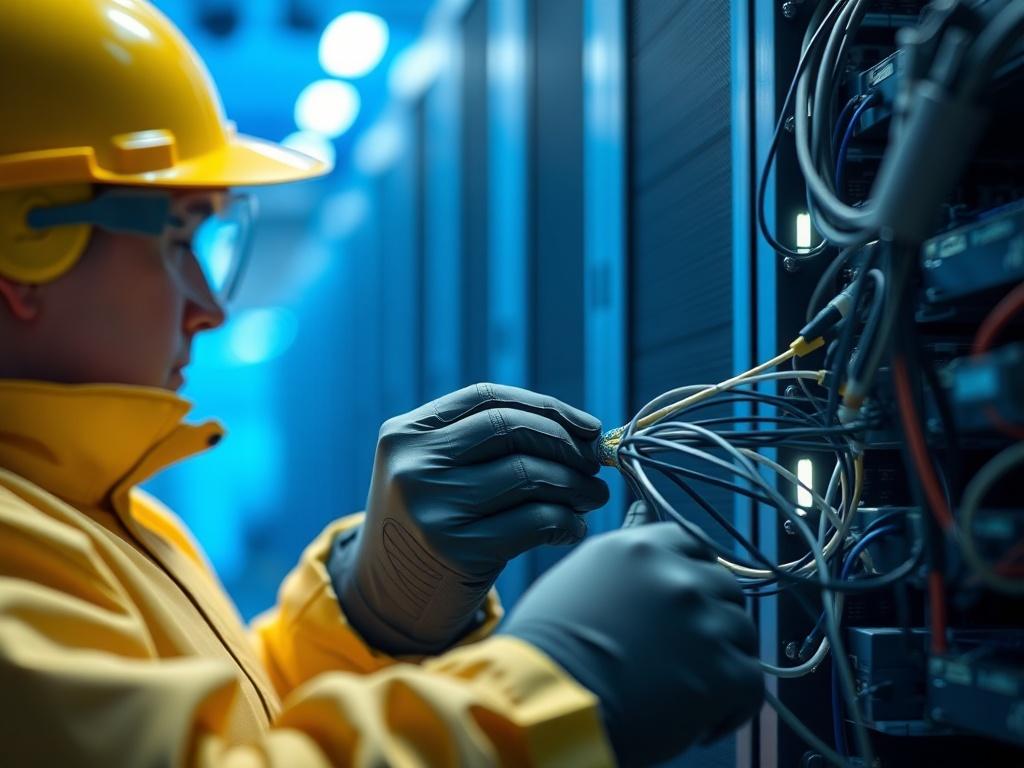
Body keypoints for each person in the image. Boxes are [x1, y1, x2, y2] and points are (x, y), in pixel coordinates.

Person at [0, 1, 764, 765]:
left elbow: (227, 731)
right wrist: (546, 691)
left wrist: (373, 615)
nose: (207, 304)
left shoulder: (89, 508)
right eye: (176, 238)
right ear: (27, 243)